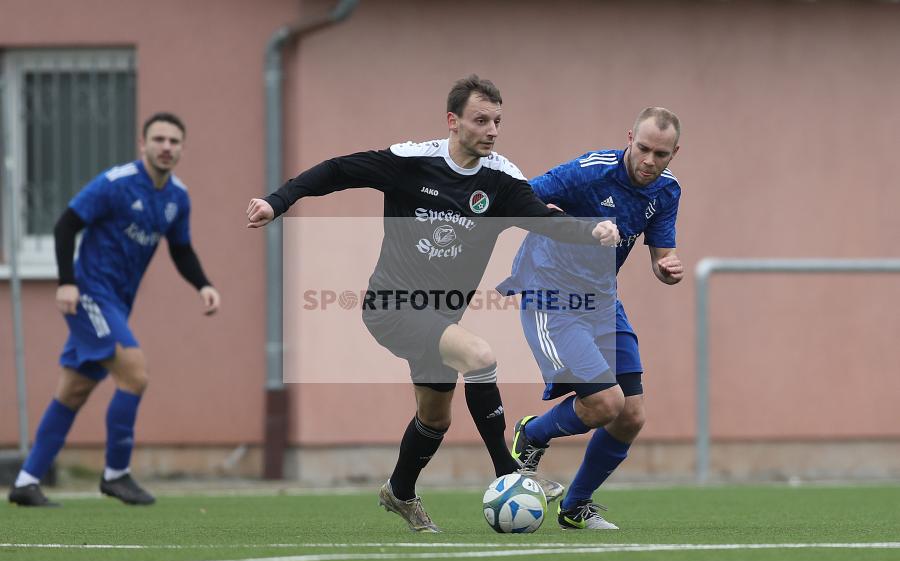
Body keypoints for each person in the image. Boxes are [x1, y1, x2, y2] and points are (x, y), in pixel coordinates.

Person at [246, 74, 620, 533]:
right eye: (481, 120)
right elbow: (338, 171)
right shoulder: (411, 161)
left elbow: (542, 219)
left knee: (435, 418)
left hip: (441, 316)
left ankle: (399, 492)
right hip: (391, 306)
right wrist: (278, 201)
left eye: (498, 121)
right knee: (480, 355)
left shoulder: (501, 180)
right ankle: (510, 472)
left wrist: (592, 230)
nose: (492, 130)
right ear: (453, 121)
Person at [7, 112, 220, 507]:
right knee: (135, 373)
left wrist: (203, 285)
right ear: (143, 144)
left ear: (182, 149)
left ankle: (25, 480)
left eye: (174, 141)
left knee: (73, 391)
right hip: (89, 294)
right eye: (158, 139)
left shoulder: (177, 198)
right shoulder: (115, 184)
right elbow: (65, 225)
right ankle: (116, 474)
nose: (166, 147)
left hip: (117, 303)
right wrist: (66, 282)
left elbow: (181, 248)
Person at [498, 107, 683, 530]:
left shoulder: (667, 192)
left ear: (675, 153)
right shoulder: (588, 172)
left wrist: (668, 269)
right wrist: (579, 226)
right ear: (629, 138)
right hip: (551, 296)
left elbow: (661, 255)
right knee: (604, 403)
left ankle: (575, 506)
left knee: (631, 415)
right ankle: (533, 435)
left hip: (602, 301)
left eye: (661, 154)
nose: (649, 161)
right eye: (643, 148)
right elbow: (519, 200)